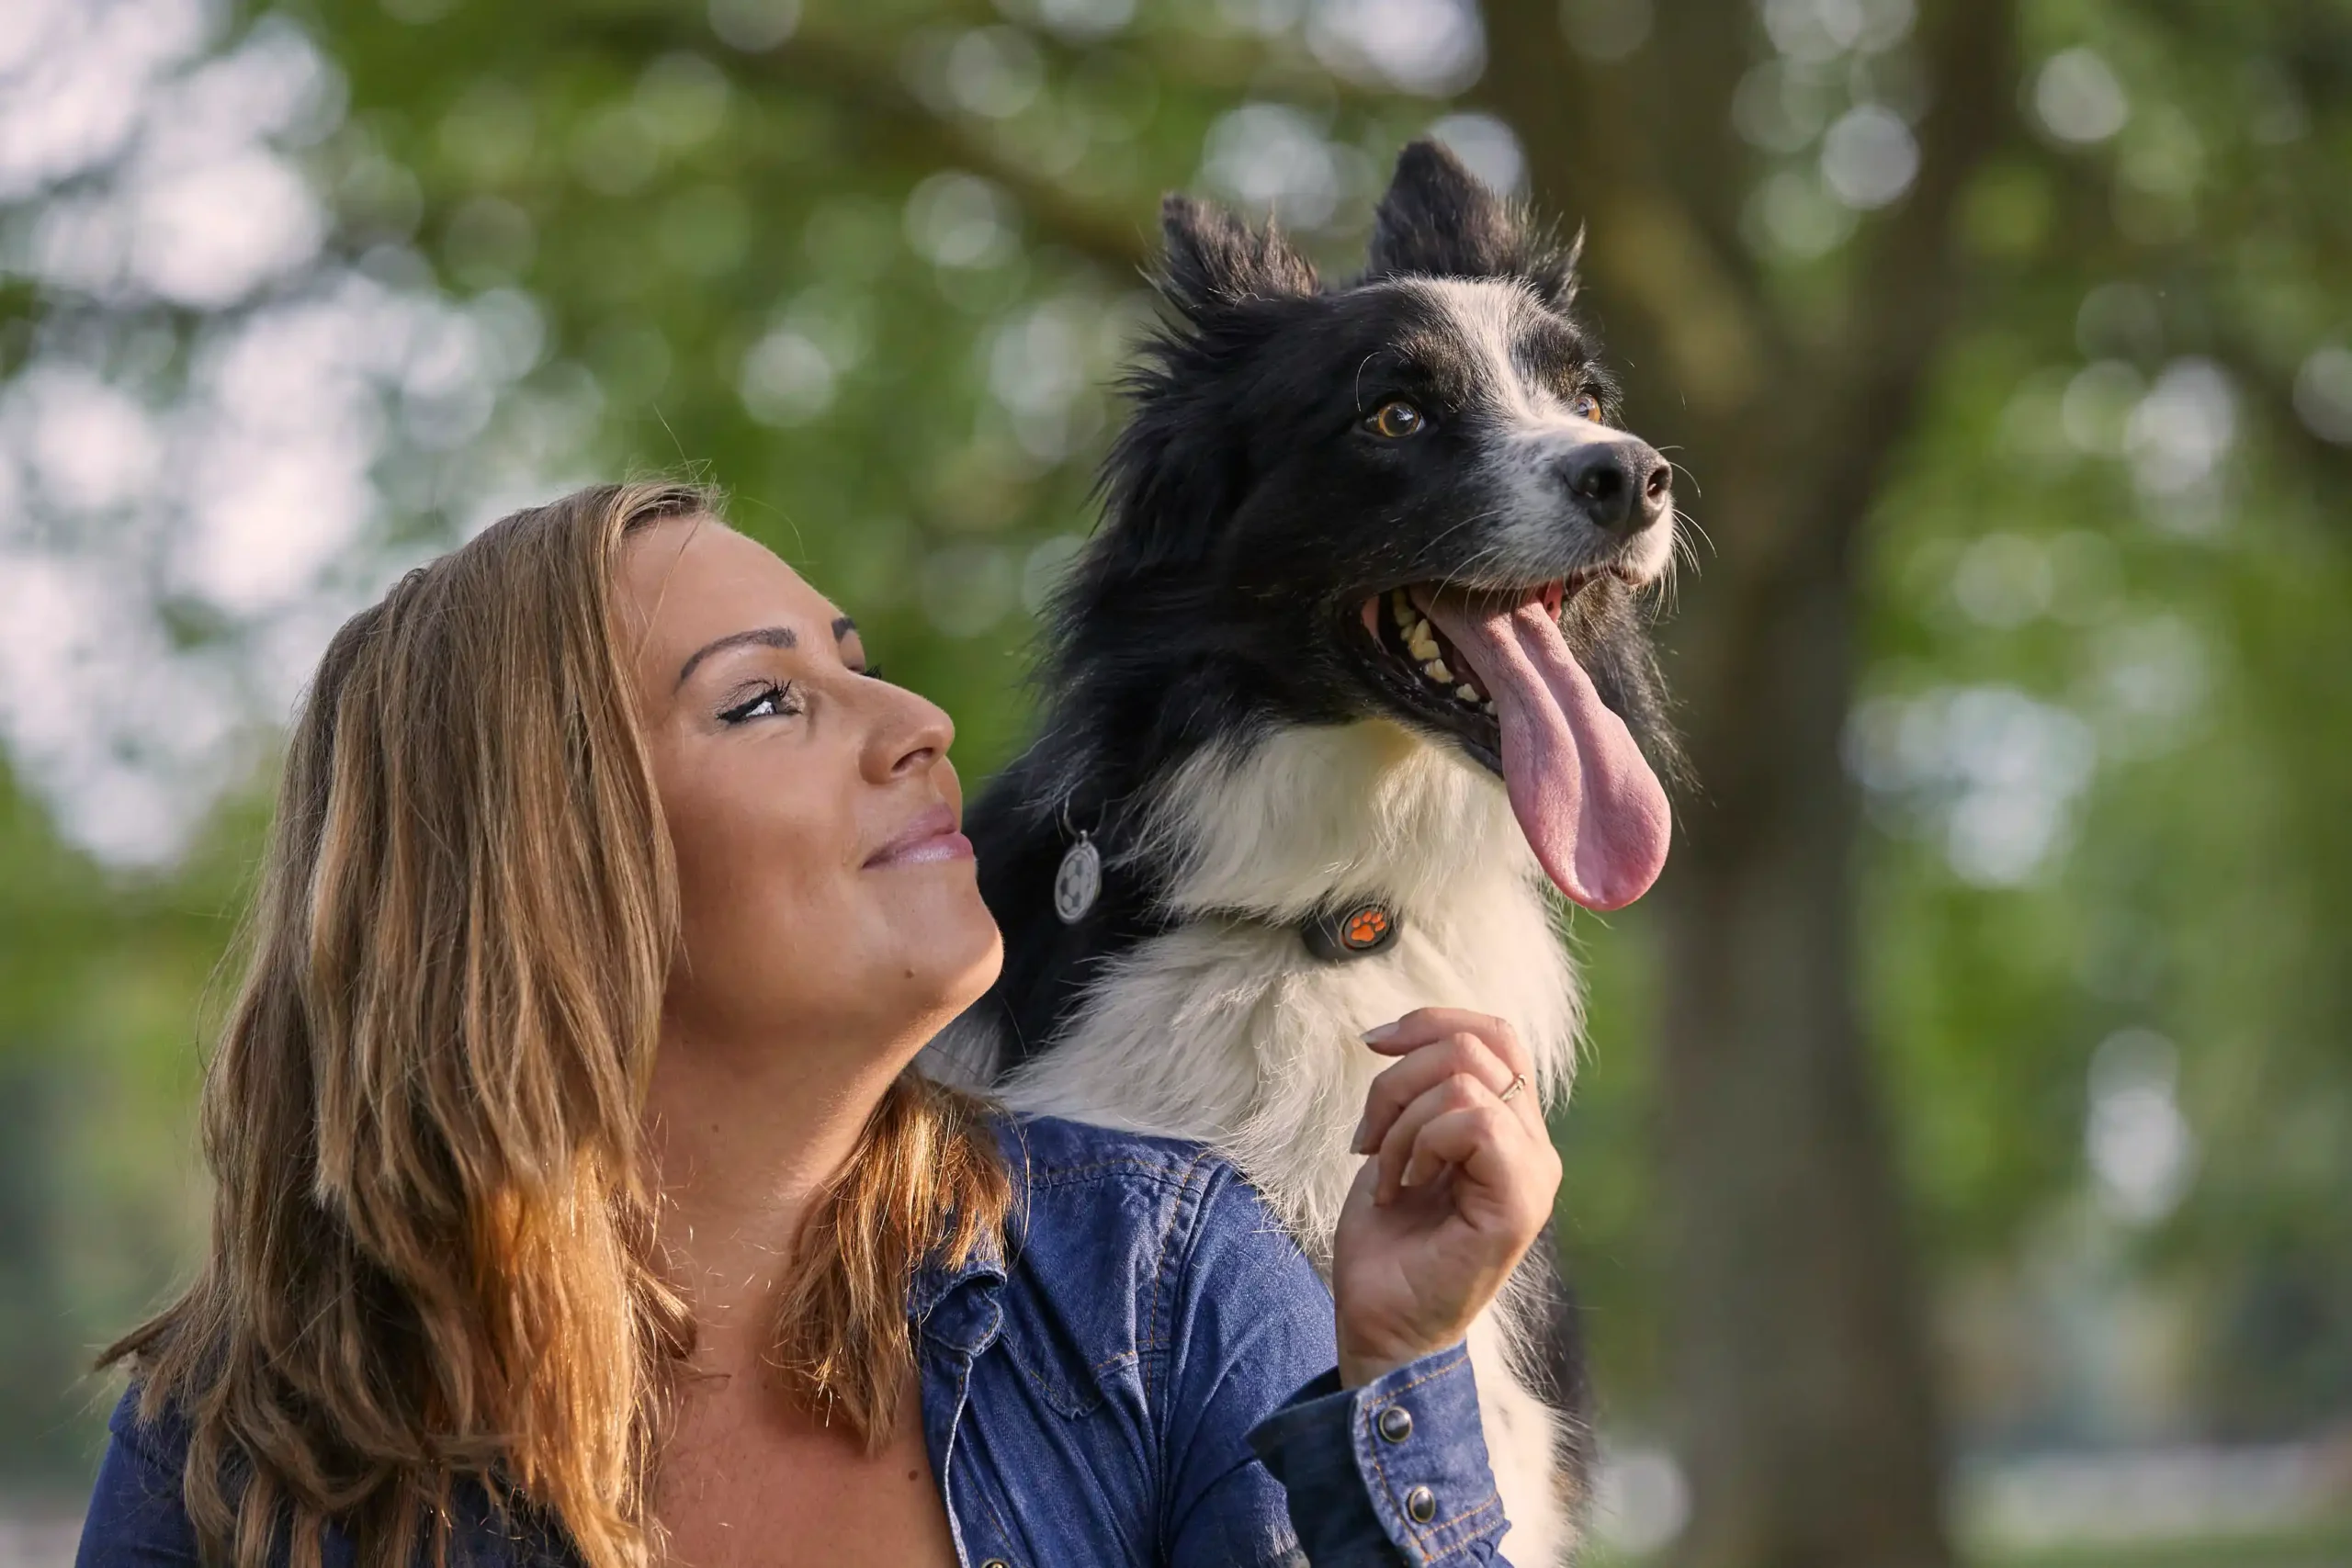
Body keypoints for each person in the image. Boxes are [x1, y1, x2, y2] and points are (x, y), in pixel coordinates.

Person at [76, 481, 1562, 1568]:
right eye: (766, 702)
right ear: (547, 869)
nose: (916, 718)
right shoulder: (249, 1443)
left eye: (853, 657)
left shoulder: (1160, 1289)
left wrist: (1398, 1375)